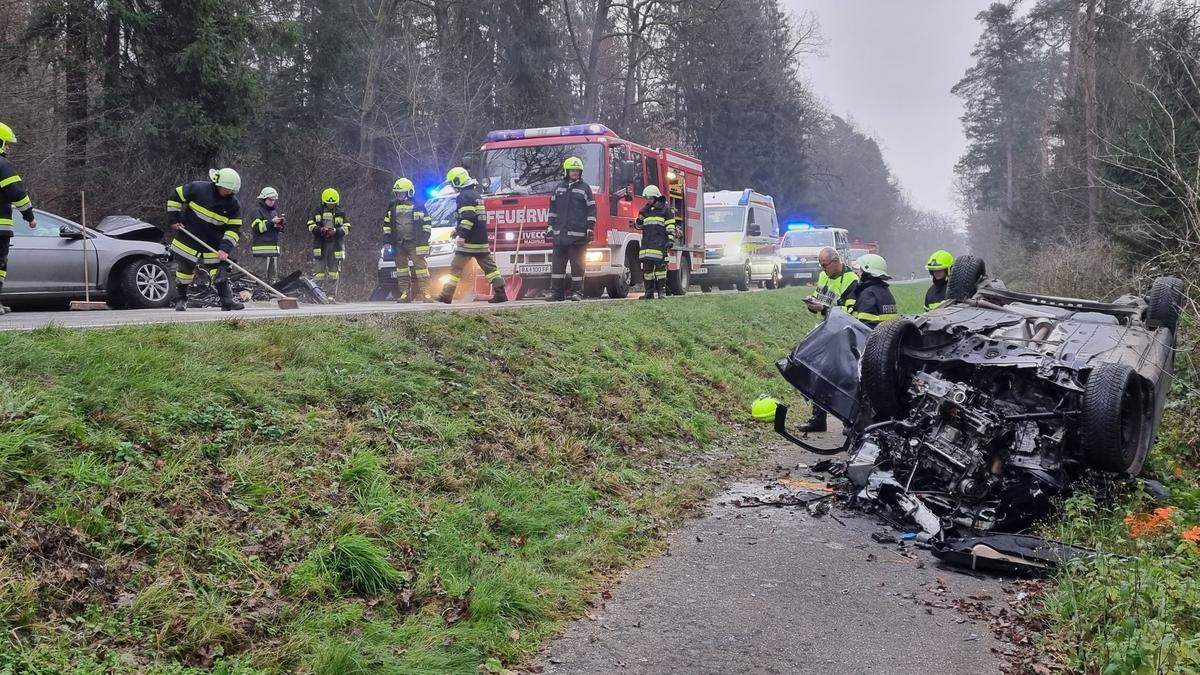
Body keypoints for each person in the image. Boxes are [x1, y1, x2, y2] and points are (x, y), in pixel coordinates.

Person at [798, 247, 860, 432]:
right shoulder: (824, 276)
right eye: (820, 265)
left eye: (824, 265)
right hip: (825, 329)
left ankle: (849, 422)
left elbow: (850, 313)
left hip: (843, 333)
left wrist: (823, 309)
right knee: (817, 372)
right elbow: (821, 299)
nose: (822, 269)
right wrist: (812, 304)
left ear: (835, 261)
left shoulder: (851, 280)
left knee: (845, 375)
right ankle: (818, 417)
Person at [166, 168, 244, 312]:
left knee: (219, 271)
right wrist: (174, 218)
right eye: (227, 189)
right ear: (218, 184)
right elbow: (175, 195)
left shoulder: (233, 205)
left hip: (213, 244)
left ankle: (227, 301)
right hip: (188, 239)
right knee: (184, 271)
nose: (230, 193)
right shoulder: (198, 188)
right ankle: (181, 300)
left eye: (232, 191)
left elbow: (234, 229)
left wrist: (225, 249)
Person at [437, 166, 507, 304]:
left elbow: (468, 217)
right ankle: (501, 293)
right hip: (481, 239)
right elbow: (474, 218)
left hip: (469, 242)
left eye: (452, 183)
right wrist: (457, 231)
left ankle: (446, 295)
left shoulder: (464, 196)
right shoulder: (475, 194)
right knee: (491, 269)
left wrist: (461, 235)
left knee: (456, 268)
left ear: (457, 181)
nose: (452, 186)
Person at [545, 156, 596, 302]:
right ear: (566, 171)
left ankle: (577, 293)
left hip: (578, 237)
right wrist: (550, 225)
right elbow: (553, 209)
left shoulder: (585, 188)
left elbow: (592, 209)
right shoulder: (559, 188)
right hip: (560, 236)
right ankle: (556, 293)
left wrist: (590, 228)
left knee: (577, 267)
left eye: (577, 170)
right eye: (572, 170)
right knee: (557, 268)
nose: (575, 173)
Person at [0, 122, 35, 315]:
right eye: (6, 144)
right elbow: (17, 193)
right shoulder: (2, 165)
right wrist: (29, 216)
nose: (7, 149)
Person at [384, 177, 431, 303]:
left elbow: (426, 224)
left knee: (421, 268)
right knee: (401, 270)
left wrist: (423, 240)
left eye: (402, 193)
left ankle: (426, 293)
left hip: (414, 243)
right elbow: (387, 226)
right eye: (397, 193)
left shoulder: (418, 206)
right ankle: (405, 294)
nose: (399, 195)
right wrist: (387, 242)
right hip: (398, 243)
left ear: (409, 192)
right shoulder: (392, 207)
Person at [307, 188, 351, 299]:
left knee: (333, 272)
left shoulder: (341, 212)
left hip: (336, 245)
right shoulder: (317, 211)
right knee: (319, 273)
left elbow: (347, 227)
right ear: (324, 201)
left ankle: (331, 295)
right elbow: (310, 225)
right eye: (328, 203)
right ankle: (317, 295)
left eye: (333, 203)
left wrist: (336, 231)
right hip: (321, 245)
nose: (331, 205)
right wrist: (320, 230)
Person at [635, 185, 675, 300]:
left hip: (659, 245)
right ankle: (649, 293)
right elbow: (639, 226)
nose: (648, 200)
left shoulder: (665, 210)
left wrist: (670, 239)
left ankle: (661, 293)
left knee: (660, 270)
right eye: (647, 198)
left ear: (657, 197)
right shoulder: (644, 210)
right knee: (647, 271)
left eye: (650, 198)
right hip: (647, 246)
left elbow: (670, 226)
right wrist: (638, 221)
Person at [852, 253, 900, 328]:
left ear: (867, 272)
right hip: (887, 337)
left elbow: (864, 328)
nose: (858, 273)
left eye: (861, 270)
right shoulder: (885, 290)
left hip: (874, 338)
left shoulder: (868, 294)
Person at [249, 187, 284, 283]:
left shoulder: (274, 212)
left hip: (273, 250)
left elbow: (274, 229)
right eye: (270, 199)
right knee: (260, 277)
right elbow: (257, 228)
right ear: (264, 199)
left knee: (273, 278)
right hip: (261, 250)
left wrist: (280, 226)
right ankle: (258, 295)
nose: (272, 202)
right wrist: (271, 222)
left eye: (274, 200)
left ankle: (271, 296)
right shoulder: (257, 212)